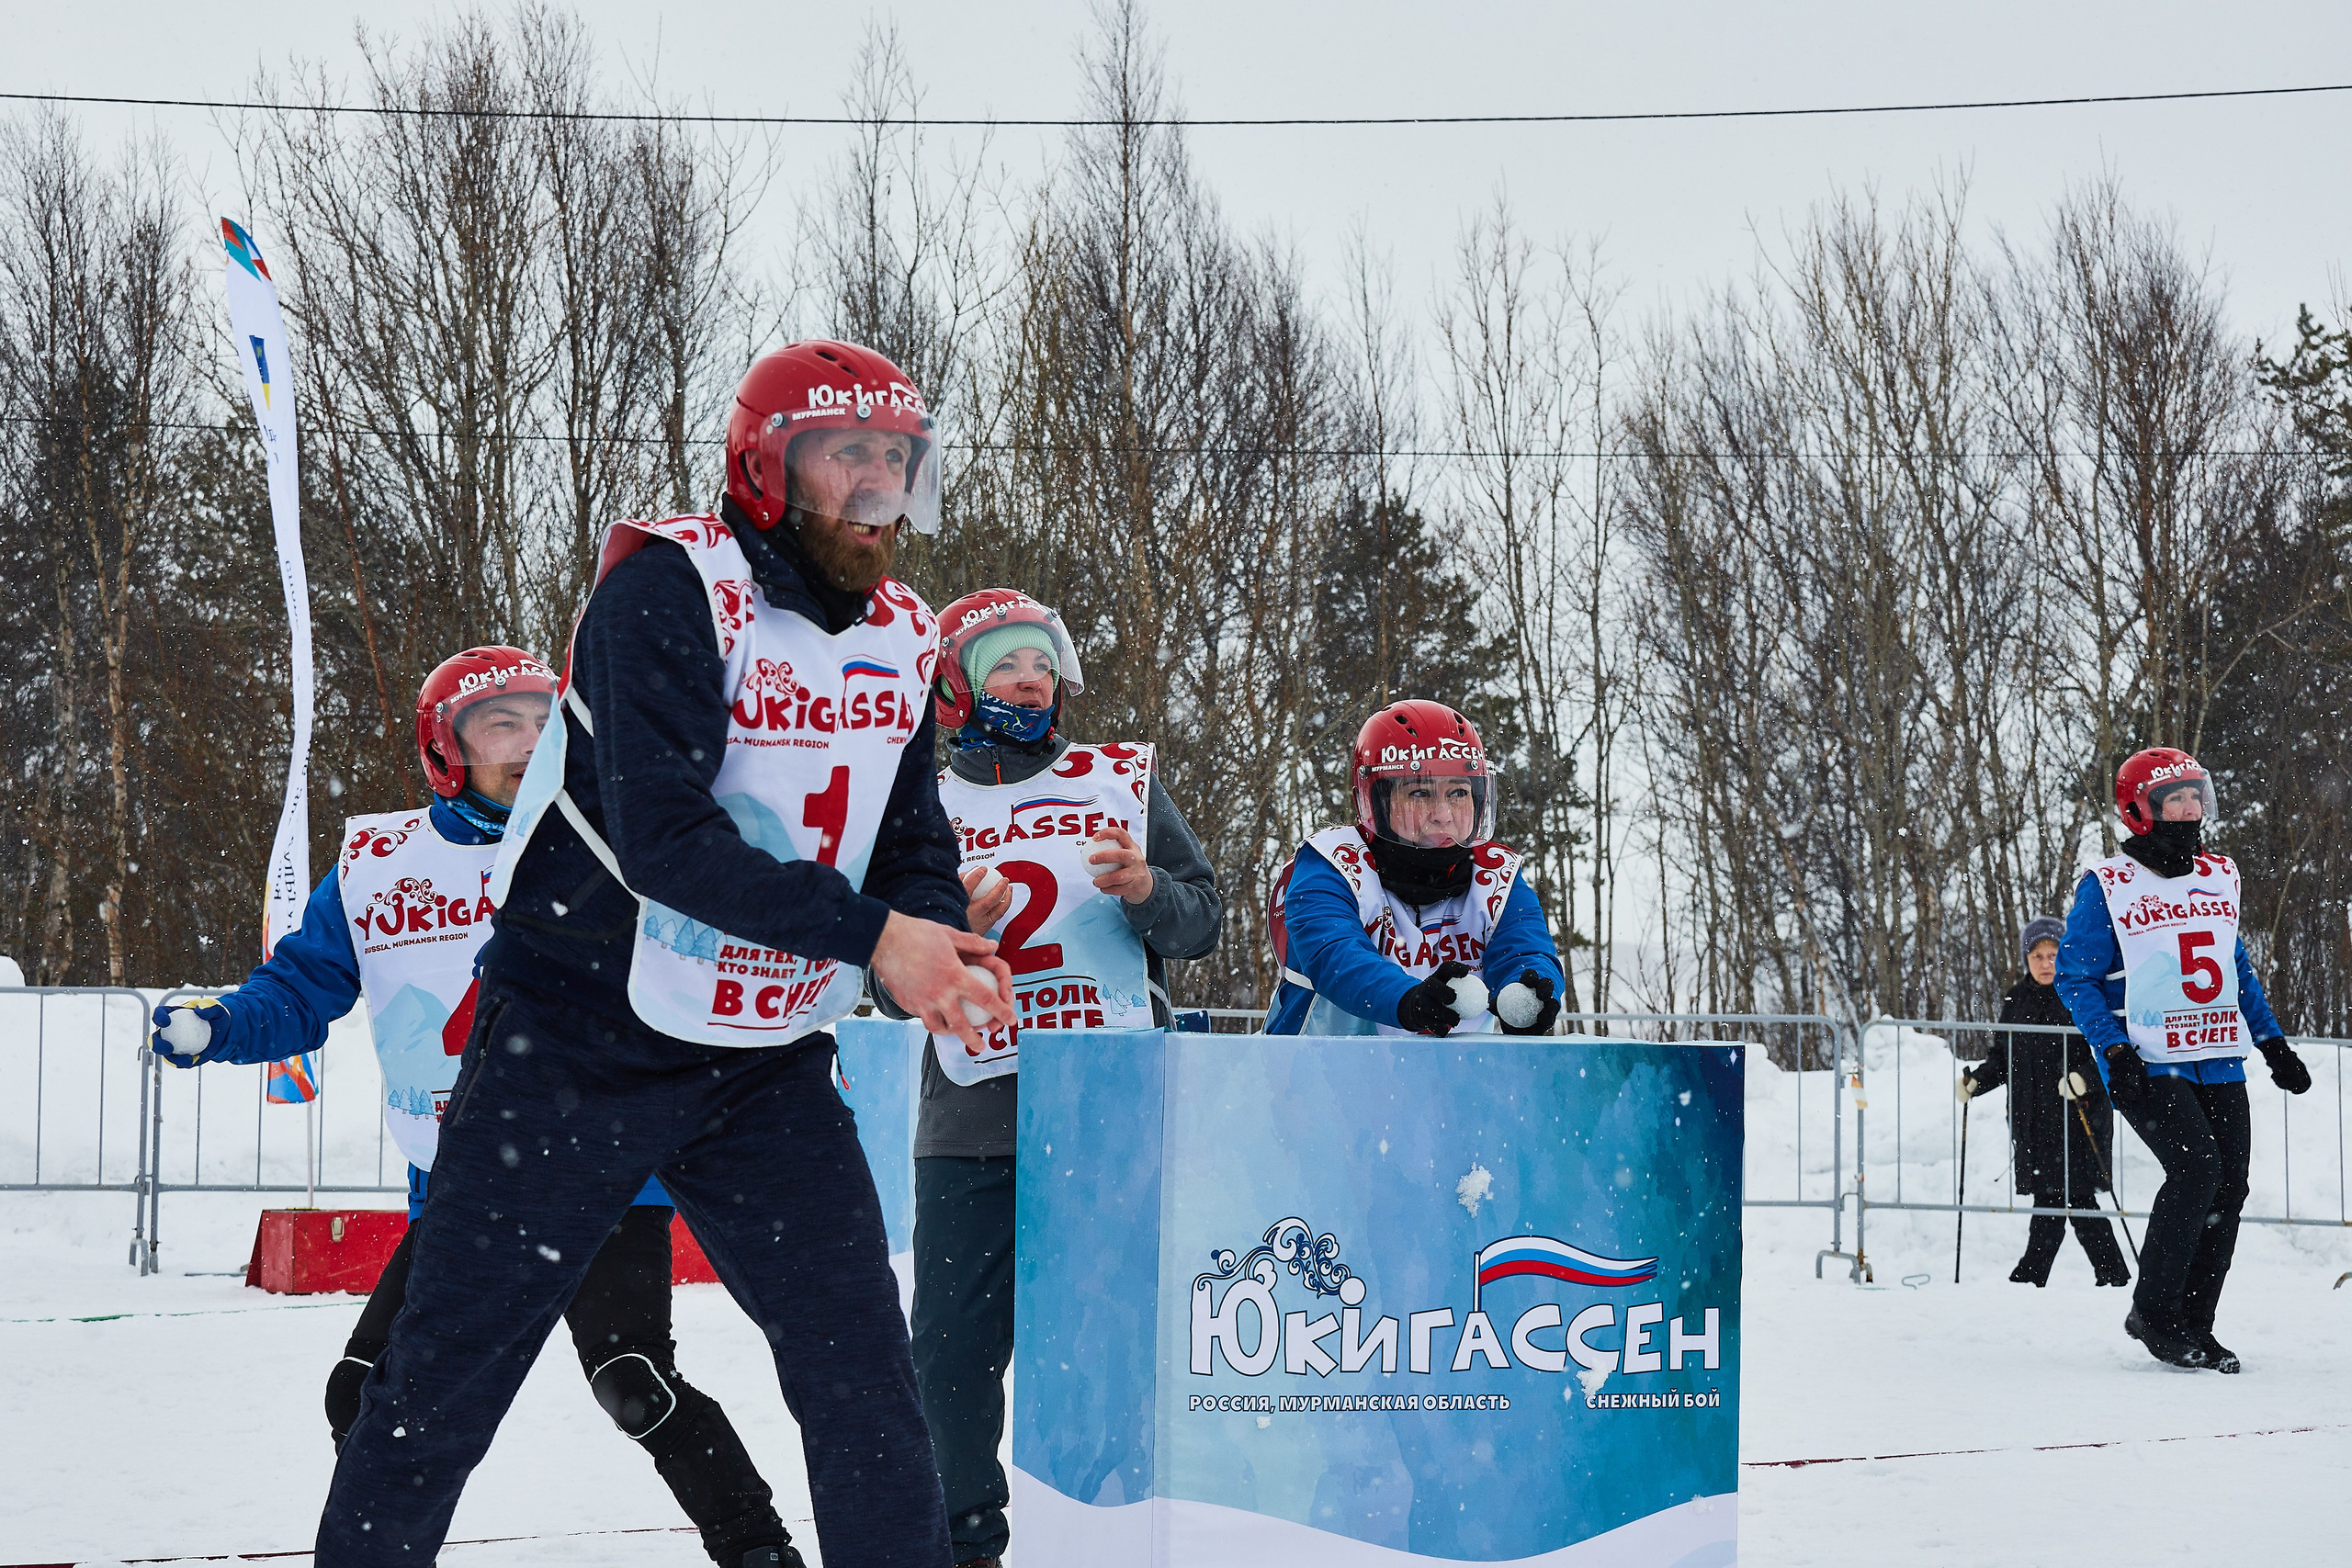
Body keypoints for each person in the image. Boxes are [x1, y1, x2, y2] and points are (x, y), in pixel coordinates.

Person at [317, 340, 1014, 1568]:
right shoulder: (668, 588)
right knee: (443, 1383)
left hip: (762, 1056)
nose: (876, 483)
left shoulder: (908, 634)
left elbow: (909, 840)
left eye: (896, 458)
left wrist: (937, 932)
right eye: (845, 453)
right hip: (576, 1039)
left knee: (861, 1372)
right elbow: (668, 842)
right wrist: (879, 937)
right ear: (766, 469)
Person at [148, 649, 800, 1567]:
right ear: (443, 750)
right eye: (501, 725)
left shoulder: (618, 841)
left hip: (609, 1174)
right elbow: (298, 991)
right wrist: (220, 1026)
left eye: (544, 721)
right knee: (365, 1394)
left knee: (632, 1382)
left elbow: (718, 957)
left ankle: (759, 1550)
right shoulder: (376, 867)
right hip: (468, 1184)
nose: (529, 742)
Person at [868, 588, 1223, 1568]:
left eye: (1040, 663)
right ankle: (963, 1545)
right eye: (1004, 666)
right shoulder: (913, 805)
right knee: (949, 1356)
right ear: (955, 686)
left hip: (1108, 1115)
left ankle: (1105, 1536)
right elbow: (883, 986)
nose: (1029, 682)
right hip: (969, 1120)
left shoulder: (1118, 780)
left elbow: (1203, 920)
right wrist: (947, 936)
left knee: (1108, 1344)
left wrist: (1147, 891)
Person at [2054, 747, 2312, 1372]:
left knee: (2230, 1183)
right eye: (2175, 798)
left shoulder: (2220, 874)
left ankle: (2197, 1323)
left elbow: (2234, 966)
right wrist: (2113, 1048)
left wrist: (2272, 1042)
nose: (2191, 808)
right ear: (2141, 810)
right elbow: (2074, 976)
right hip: (2148, 1060)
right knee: (2196, 1171)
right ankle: (2155, 1312)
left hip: (2217, 1054)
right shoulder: (2108, 885)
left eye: (2196, 795)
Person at [1264, 700, 1565, 1037]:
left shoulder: (1496, 875)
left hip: (1456, 1069)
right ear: (1376, 802)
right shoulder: (1331, 865)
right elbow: (1336, 956)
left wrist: (1527, 994)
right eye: (1420, 792)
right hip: (1318, 1063)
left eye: (1458, 792)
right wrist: (1408, 1000)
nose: (1443, 815)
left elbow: (1526, 949)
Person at [1959, 916, 2131, 1288]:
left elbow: (2107, 1048)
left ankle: (2050, 1276)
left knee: (2074, 1200)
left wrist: (2084, 1078)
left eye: (2053, 954)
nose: (2046, 963)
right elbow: (2004, 1056)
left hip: (2078, 1119)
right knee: (2056, 1200)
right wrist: (1977, 1083)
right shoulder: (2016, 999)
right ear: (2026, 959)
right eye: (2037, 955)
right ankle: (2104, 1275)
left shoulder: (2081, 993)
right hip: (2033, 1121)